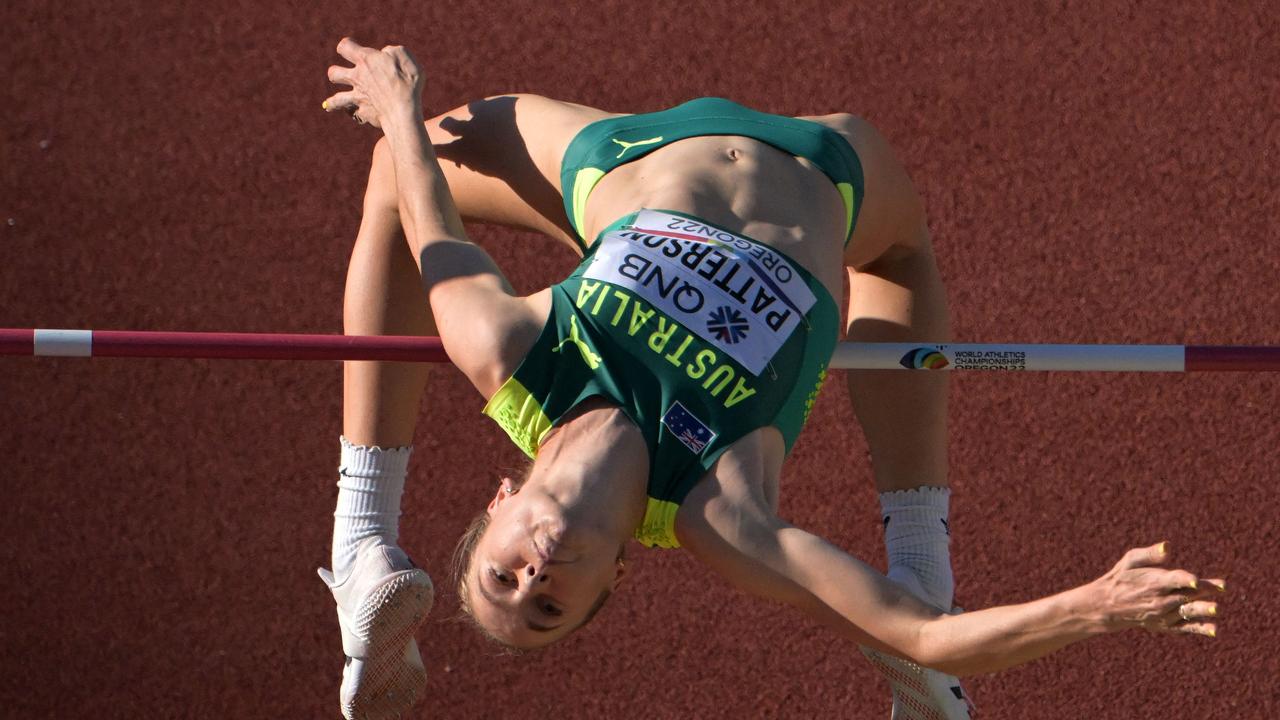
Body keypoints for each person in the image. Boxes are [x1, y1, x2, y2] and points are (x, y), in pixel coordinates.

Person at [315, 38, 1224, 720]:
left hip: (627, 158)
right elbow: (926, 637)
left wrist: (399, 109)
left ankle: (363, 538)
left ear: (501, 497)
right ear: (613, 582)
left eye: (502, 575)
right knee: (900, 258)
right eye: (550, 604)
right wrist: (1095, 608)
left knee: (403, 170)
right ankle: (922, 555)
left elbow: (424, 204)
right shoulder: (719, 511)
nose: (534, 576)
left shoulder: (511, 357)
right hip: (830, 169)